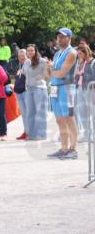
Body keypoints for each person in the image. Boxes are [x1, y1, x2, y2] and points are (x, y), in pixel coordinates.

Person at [48, 28, 79, 159]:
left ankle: (73, 149)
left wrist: (51, 69)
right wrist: (51, 70)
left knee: (69, 118)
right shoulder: (57, 54)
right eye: (58, 36)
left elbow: (61, 73)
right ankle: (64, 148)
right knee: (59, 119)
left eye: (63, 36)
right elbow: (48, 74)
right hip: (55, 88)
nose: (59, 39)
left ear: (69, 38)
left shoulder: (71, 52)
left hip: (66, 88)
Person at [73, 42, 93, 142]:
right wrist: (77, 75)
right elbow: (76, 77)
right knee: (82, 113)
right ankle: (86, 134)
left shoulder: (92, 62)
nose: (79, 56)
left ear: (85, 52)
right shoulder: (80, 63)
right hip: (80, 88)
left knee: (92, 113)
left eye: (80, 53)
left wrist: (82, 74)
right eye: (78, 54)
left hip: (90, 89)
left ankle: (93, 135)